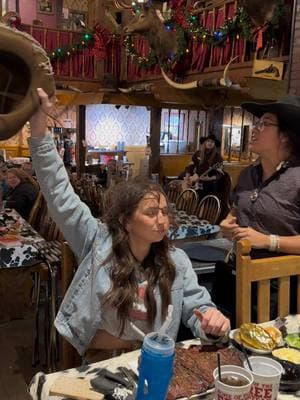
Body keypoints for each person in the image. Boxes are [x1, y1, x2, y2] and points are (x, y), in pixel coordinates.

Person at [28, 88, 230, 360]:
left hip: (152, 363)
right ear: (125, 220)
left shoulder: (177, 261)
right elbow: (58, 193)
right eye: (150, 212)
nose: (162, 220)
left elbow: (198, 310)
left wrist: (212, 321)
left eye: (164, 211)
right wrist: (38, 127)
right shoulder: (98, 241)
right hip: (104, 361)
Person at [214, 94, 300, 325]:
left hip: (277, 286)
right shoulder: (247, 175)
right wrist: (228, 222)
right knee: (227, 340)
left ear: (285, 135)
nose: (255, 128)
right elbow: (237, 208)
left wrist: (267, 240)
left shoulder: (298, 179)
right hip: (235, 272)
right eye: (257, 122)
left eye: (265, 123)